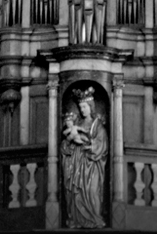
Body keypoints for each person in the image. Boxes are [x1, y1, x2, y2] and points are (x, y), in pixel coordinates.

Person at [60, 88, 109, 228]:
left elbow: (102, 143)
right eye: (80, 107)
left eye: (84, 107)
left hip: (92, 163)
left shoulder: (97, 125)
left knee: (92, 191)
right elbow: (65, 143)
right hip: (75, 162)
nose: (82, 110)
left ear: (91, 107)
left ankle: (95, 218)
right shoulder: (77, 124)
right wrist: (67, 145)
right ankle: (76, 220)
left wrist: (90, 144)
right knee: (76, 193)